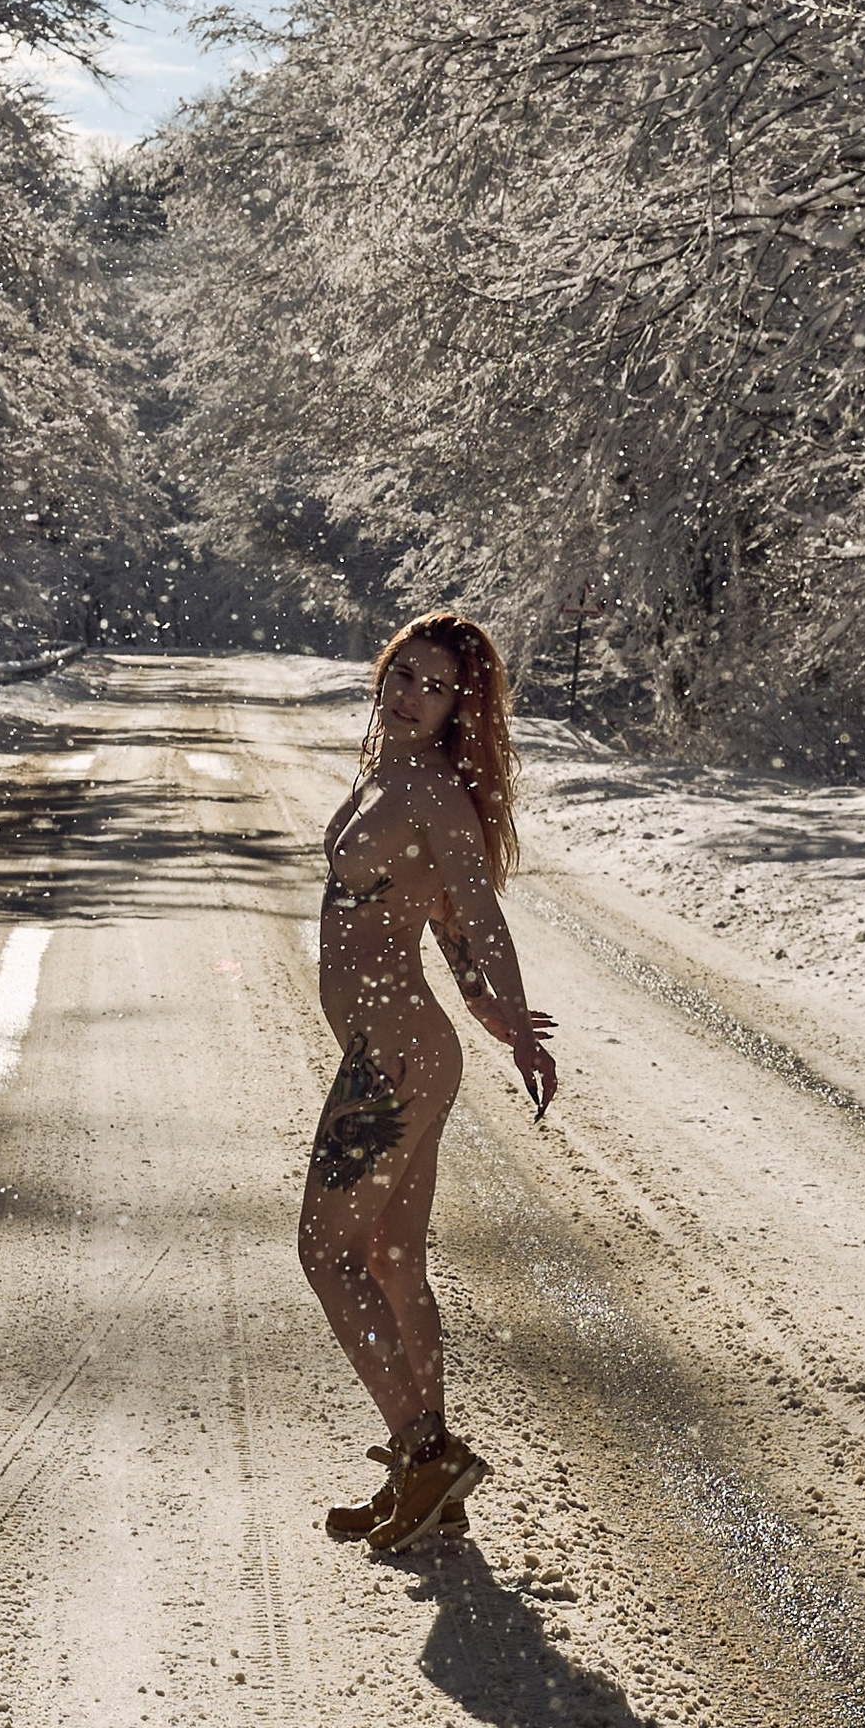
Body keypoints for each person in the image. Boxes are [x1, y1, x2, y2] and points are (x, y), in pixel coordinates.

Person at [300, 609, 558, 1554]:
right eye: (403, 674)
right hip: (405, 1044)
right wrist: (479, 1002)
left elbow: (480, 911)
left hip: (396, 1053)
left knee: (325, 1252)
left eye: (436, 686)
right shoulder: (387, 770)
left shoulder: (435, 790)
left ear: (460, 707)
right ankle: (430, 1485)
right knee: (393, 1258)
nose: (411, 696)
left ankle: (425, 1453)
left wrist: (516, 1020)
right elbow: (441, 910)